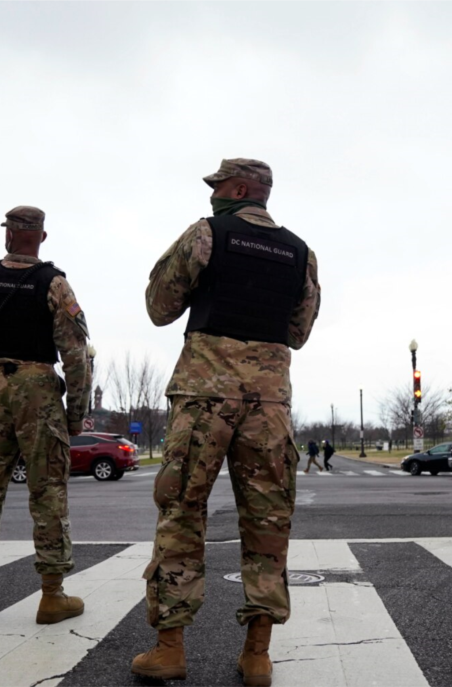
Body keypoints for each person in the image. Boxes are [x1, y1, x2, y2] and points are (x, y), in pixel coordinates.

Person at [132, 158, 321, 686]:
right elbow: (299, 330)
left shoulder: (206, 233)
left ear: (239, 189)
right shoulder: (300, 252)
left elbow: (160, 306)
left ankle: (171, 647)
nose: (214, 195)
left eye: (219, 187)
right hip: (269, 404)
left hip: (204, 396)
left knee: (182, 512)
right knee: (268, 523)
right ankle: (256, 653)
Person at [0, 205, 92, 628]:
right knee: (48, 494)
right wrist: (76, 414)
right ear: (41, 238)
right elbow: (76, 356)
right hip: (37, 388)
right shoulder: (54, 285)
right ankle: (52, 596)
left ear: (8, 235)